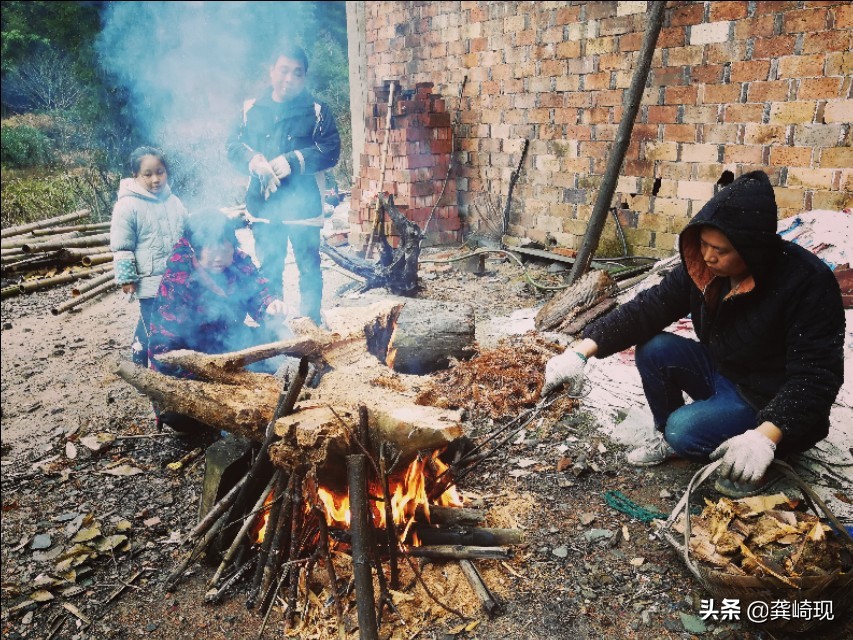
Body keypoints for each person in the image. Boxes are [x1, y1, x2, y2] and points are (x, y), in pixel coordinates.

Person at [542, 170, 845, 498]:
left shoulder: (807, 283)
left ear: (753, 250)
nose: (708, 256)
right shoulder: (704, 270)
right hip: (725, 371)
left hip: (768, 397)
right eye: (703, 244)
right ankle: (672, 440)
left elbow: (817, 377)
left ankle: (761, 459)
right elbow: (648, 308)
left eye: (721, 250)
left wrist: (765, 437)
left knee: (683, 430)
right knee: (655, 348)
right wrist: (580, 351)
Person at [226, 44, 341, 326]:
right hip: (264, 207)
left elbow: (331, 149)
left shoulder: (317, 111)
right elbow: (232, 146)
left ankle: (311, 325)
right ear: (271, 71)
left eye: (297, 73)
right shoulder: (250, 109)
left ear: (304, 77)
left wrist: (294, 160)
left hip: (305, 208)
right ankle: (274, 329)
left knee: (309, 269)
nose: (289, 78)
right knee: (269, 270)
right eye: (283, 70)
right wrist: (254, 161)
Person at [147, 208, 288, 431]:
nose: (219, 257)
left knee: (279, 342)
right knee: (178, 415)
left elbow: (259, 293)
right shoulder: (178, 279)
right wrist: (211, 377)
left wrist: (269, 306)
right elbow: (163, 348)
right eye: (210, 249)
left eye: (225, 247)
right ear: (195, 248)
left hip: (230, 342)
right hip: (192, 358)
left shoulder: (239, 262)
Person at [110, 146, 188, 368]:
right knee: (153, 324)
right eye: (148, 174)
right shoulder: (127, 205)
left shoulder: (174, 202)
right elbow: (122, 246)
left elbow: (187, 233)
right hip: (149, 279)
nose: (156, 179)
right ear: (135, 175)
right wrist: (127, 278)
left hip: (176, 277)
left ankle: (154, 360)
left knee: (169, 321)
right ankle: (146, 366)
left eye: (160, 172)